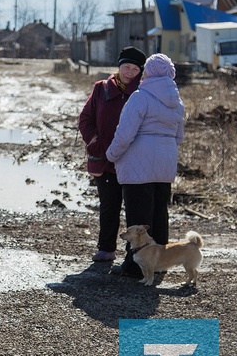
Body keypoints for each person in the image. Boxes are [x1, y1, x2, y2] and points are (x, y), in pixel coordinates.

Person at [106, 53, 185, 280]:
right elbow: (179, 136)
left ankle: (134, 266)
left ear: (147, 72)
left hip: (138, 165)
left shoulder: (140, 97)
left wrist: (111, 155)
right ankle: (160, 264)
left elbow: (125, 134)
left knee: (139, 218)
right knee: (159, 214)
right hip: (165, 163)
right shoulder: (177, 102)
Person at [77, 46, 147, 263]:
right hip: (105, 159)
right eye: (126, 66)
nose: (129, 72)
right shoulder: (102, 89)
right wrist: (94, 141)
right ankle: (106, 249)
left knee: (135, 209)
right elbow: (85, 119)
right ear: (118, 67)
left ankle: (135, 255)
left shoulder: (142, 93)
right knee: (109, 206)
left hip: (133, 160)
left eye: (135, 69)